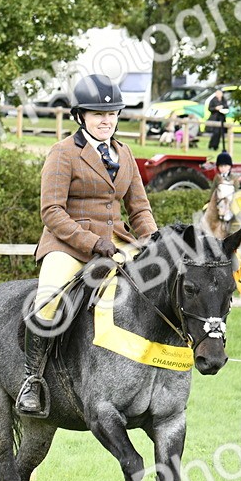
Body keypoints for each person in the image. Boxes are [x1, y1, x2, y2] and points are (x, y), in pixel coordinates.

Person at [17, 74, 158, 417]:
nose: (106, 120)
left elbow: (139, 209)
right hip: (69, 245)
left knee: (161, 283)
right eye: (98, 114)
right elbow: (52, 211)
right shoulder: (63, 153)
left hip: (117, 243)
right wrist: (92, 242)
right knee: (49, 299)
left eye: (111, 114)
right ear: (81, 116)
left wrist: (155, 242)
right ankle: (32, 380)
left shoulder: (124, 153)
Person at [202, 152, 237, 239]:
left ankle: (231, 232)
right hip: (218, 200)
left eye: (225, 166)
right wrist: (209, 200)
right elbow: (213, 189)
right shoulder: (217, 177)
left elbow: (237, 190)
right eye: (221, 166)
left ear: (229, 166)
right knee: (205, 210)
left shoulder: (234, 178)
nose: (223, 168)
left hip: (230, 201)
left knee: (236, 215)